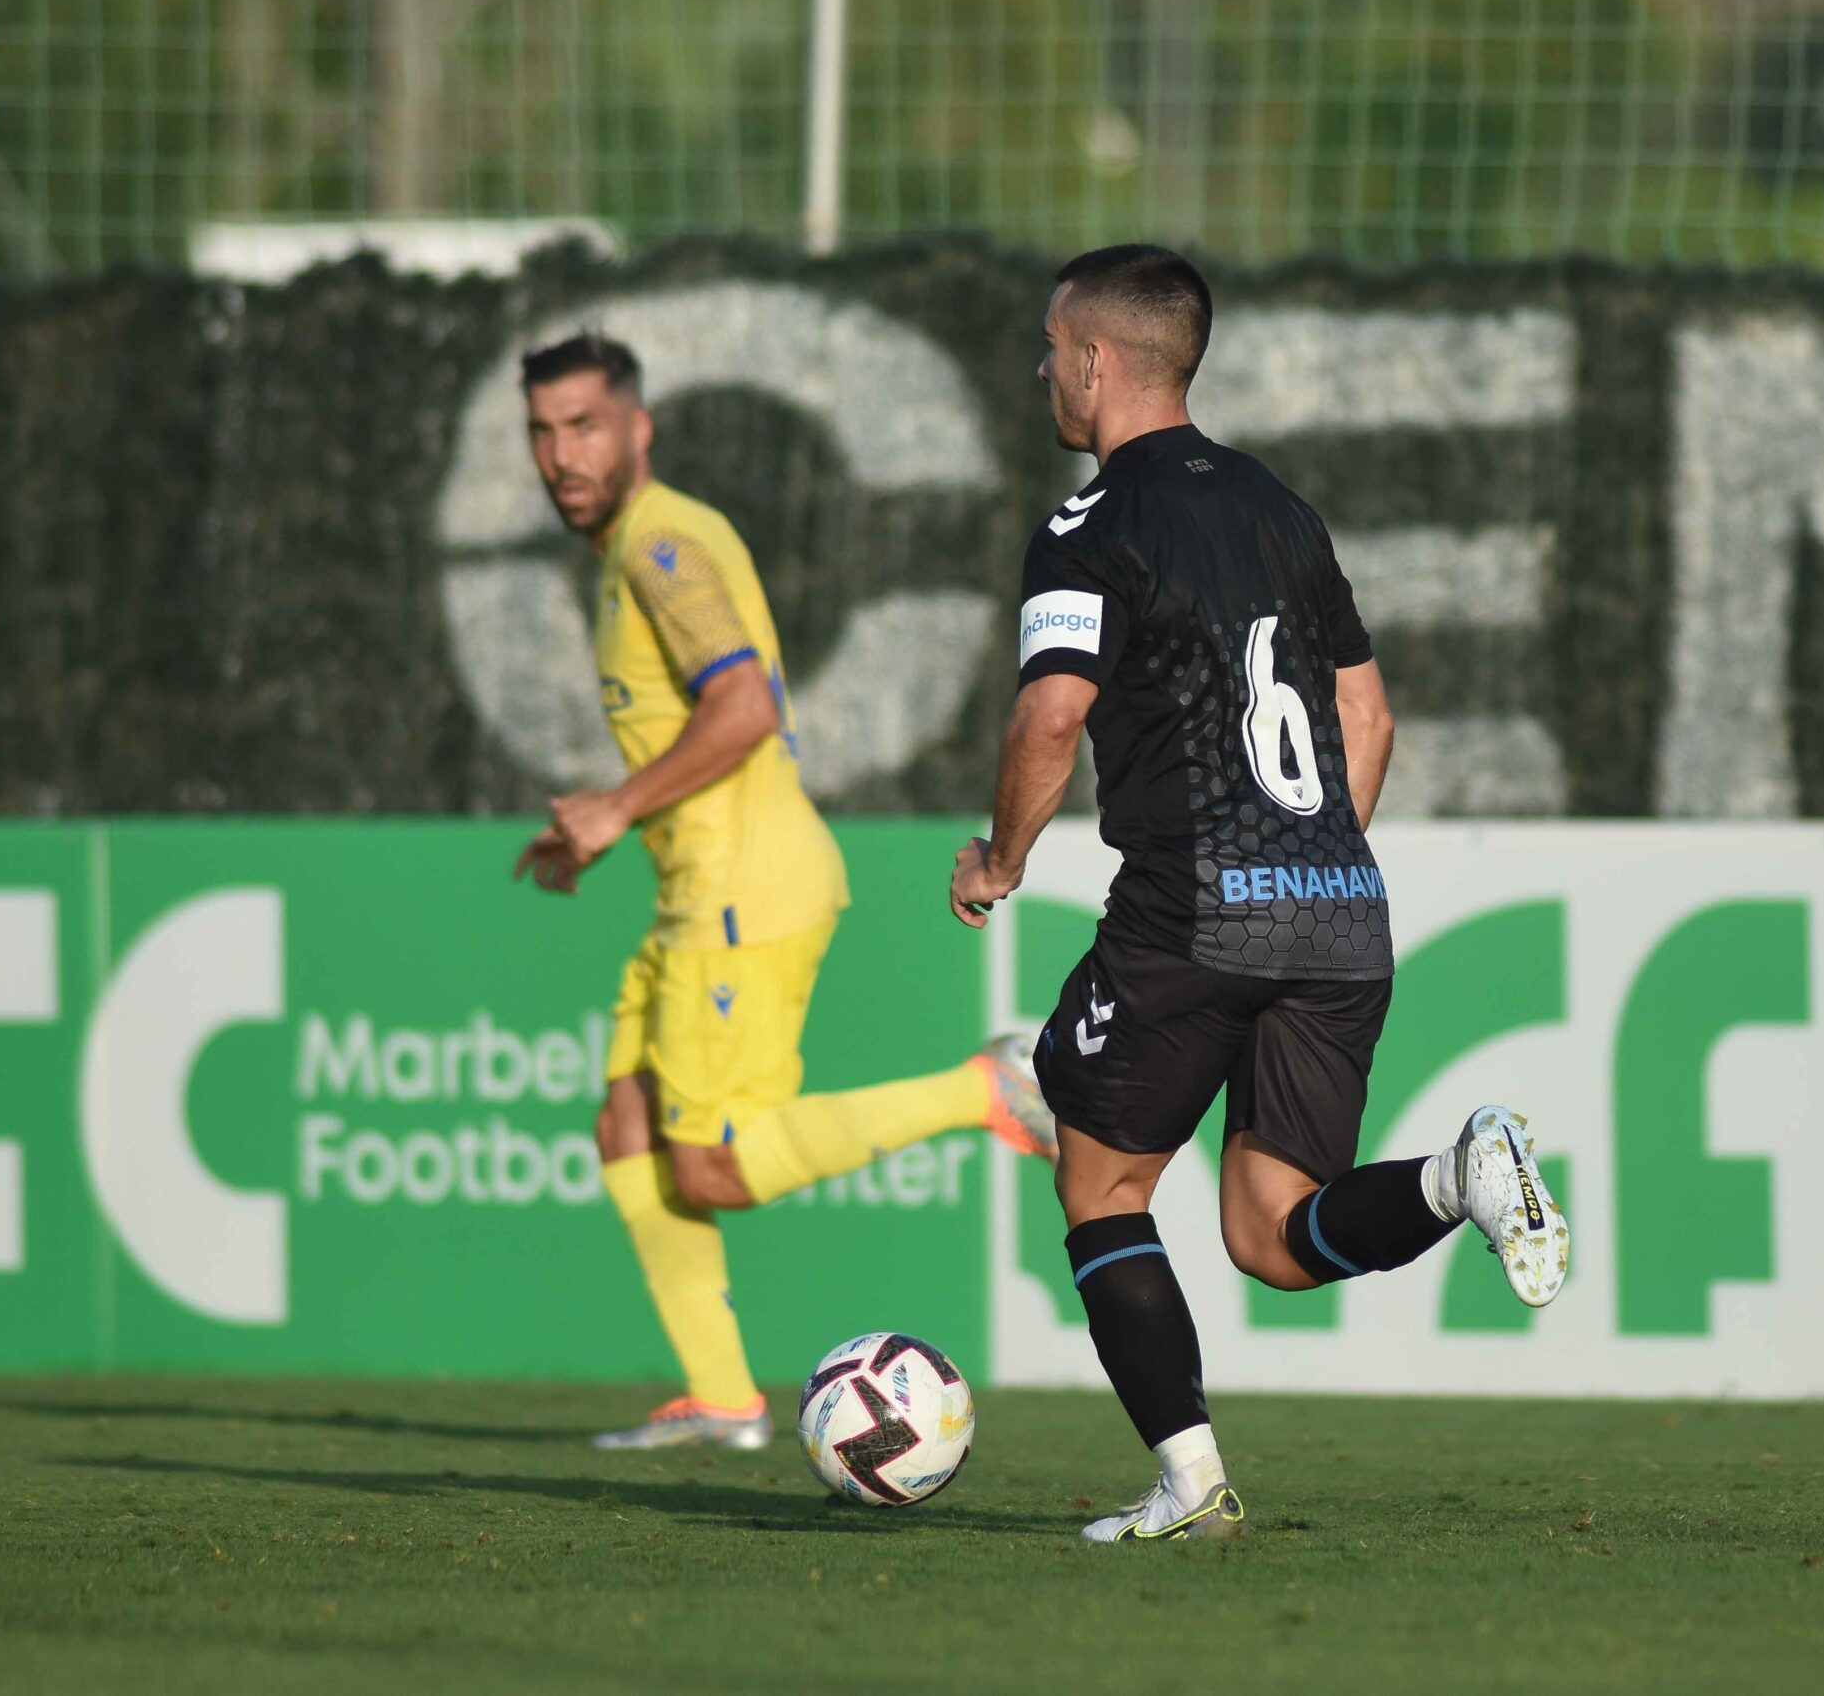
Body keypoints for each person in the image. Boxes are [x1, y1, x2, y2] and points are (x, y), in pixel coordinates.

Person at [948, 246, 1568, 1543]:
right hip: (1337, 902)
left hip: (1195, 905)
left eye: (1052, 347)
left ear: (1097, 360)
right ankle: (1458, 1174)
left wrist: (1000, 861)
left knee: (1100, 1184)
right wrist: (1310, 860)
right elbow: (1366, 716)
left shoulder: (1088, 526)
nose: (1041, 370)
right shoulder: (1284, 509)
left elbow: (1050, 716)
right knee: (1273, 1237)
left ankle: (1192, 1484)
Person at [512, 331, 1057, 1453]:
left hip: (742, 891)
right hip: (697, 893)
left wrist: (614, 808)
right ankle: (720, 1397)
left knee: (712, 1165)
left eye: (585, 426)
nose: (562, 454)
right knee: (627, 1120)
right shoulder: (633, 548)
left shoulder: (659, 545)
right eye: (543, 431)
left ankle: (987, 1088)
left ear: (637, 429)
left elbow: (745, 706)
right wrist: (618, 819)